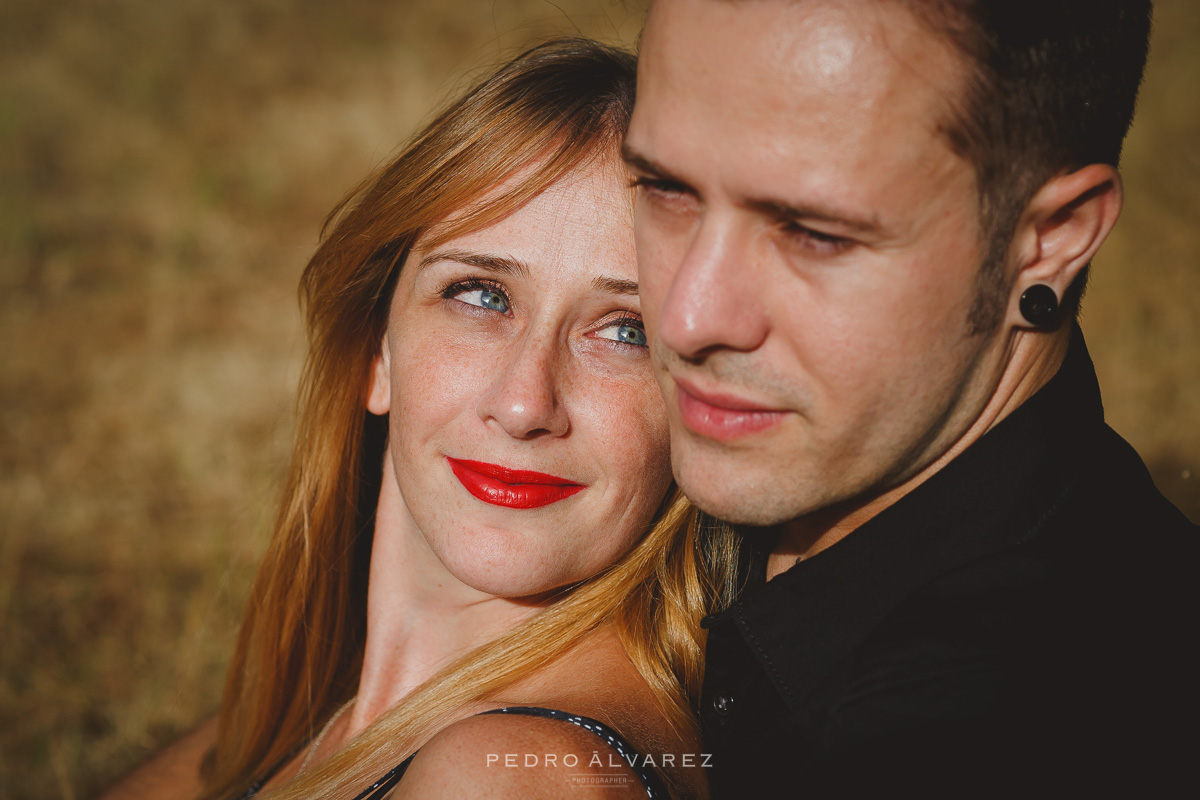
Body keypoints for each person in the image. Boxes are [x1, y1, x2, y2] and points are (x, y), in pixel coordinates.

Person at [101, 38, 737, 800]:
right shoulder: (300, 732)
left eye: (626, 330)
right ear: (378, 351)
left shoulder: (509, 776)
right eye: (480, 295)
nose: (524, 402)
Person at [624, 0, 1197, 795]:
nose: (686, 318)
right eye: (665, 188)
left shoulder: (965, 743)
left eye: (814, 233)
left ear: (1052, 236)